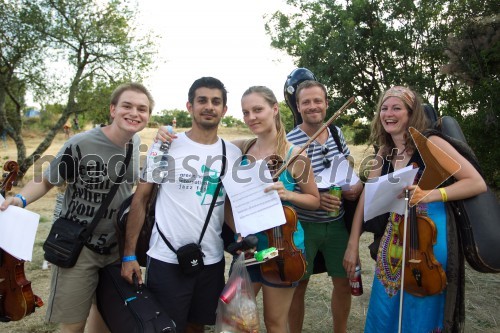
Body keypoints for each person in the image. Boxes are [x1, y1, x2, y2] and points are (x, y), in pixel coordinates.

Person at [0, 82, 154, 333]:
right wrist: (21, 200)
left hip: (116, 248)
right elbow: (48, 179)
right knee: (73, 325)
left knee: (105, 317)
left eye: (142, 109)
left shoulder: (135, 143)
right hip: (79, 247)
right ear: (113, 109)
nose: (134, 113)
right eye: (127, 106)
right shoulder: (82, 143)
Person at [343, 86, 487, 332]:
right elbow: (366, 200)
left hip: (431, 236)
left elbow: (476, 182)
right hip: (394, 238)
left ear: (411, 114)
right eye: (384, 108)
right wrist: (352, 244)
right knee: (384, 309)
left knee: (421, 312)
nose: (388, 113)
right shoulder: (384, 152)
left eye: (396, 108)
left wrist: (431, 194)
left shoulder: (431, 142)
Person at [121, 77, 242, 333]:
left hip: (211, 260)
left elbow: (229, 205)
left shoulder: (232, 153)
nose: (209, 106)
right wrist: (129, 255)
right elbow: (140, 200)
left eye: (216, 102)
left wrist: (244, 234)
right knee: (165, 327)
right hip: (167, 259)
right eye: (202, 101)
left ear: (224, 110)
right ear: (190, 106)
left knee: (196, 326)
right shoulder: (165, 145)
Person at [228, 86, 320, 333]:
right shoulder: (242, 150)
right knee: (237, 318)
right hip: (249, 246)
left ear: (275, 109)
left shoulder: (294, 155)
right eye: (246, 112)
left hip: (282, 248)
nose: (251, 118)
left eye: (258, 109)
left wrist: (288, 194)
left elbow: (314, 199)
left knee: (275, 322)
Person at [286, 80, 363, 333]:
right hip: (304, 226)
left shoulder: (337, 134)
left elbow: (345, 171)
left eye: (317, 100)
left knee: (343, 283)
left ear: (327, 103)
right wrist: (316, 196)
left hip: (337, 224)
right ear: (298, 106)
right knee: (298, 287)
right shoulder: (288, 141)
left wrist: (353, 189)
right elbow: (285, 190)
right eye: (306, 102)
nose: (312, 106)